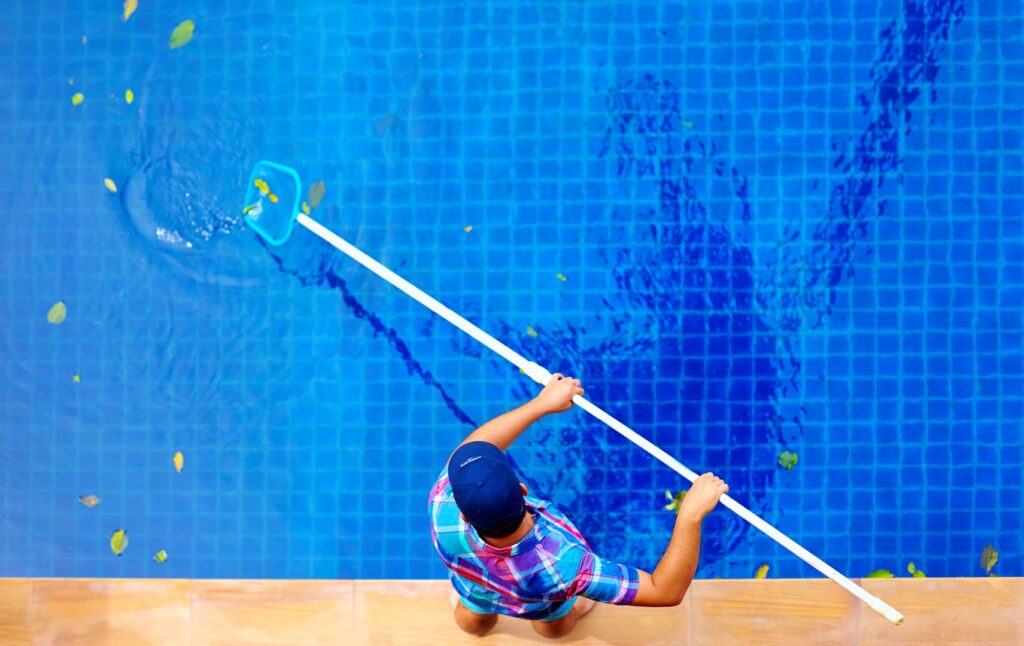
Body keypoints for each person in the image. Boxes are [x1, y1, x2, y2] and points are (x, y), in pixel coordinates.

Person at [428, 373, 729, 638]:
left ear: (466, 513)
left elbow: (469, 451)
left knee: (472, 618)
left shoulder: (444, 508)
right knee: (556, 623)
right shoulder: (566, 566)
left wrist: (541, 404)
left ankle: (476, 627)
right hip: (541, 602)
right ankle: (554, 626)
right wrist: (690, 515)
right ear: (522, 489)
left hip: (477, 585)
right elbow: (665, 591)